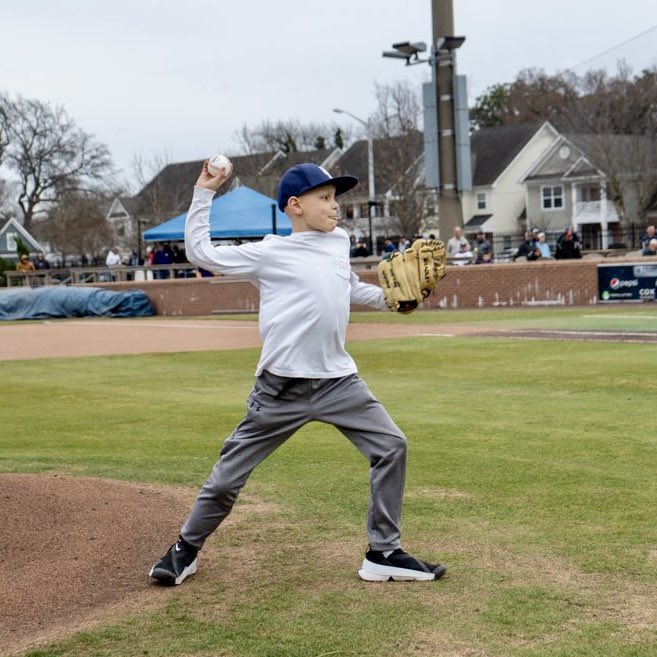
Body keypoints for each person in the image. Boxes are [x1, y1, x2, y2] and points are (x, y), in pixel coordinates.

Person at [149, 161, 447, 586]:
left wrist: (395, 300)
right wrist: (204, 192)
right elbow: (202, 254)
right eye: (324, 199)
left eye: (335, 199)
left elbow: (348, 288)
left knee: (392, 446)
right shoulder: (271, 251)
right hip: (280, 389)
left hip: (339, 383)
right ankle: (185, 549)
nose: (335, 207)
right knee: (227, 478)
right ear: (295, 206)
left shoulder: (338, 242)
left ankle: (383, 552)